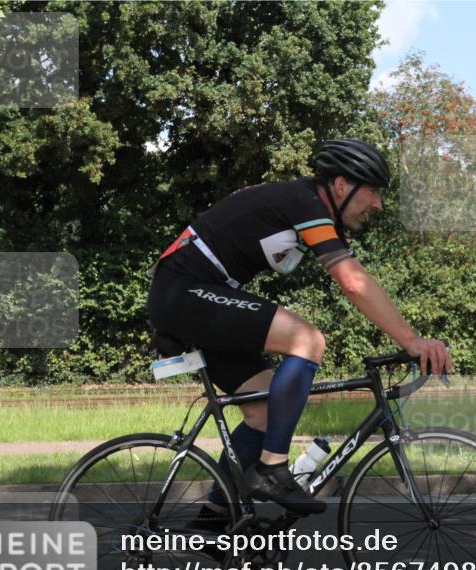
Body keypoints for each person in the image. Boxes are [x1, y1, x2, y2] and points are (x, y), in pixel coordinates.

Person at [146, 139, 452, 520]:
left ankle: (214, 518)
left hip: (196, 294)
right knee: (307, 340)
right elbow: (353, 283)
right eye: (372, 191)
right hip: (183, 292)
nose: (378, 204)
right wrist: (412, 340)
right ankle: (272, 469)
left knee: (263, 413)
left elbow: (356, 279)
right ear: (341, 185)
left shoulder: (306, 206)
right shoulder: (303, 202)